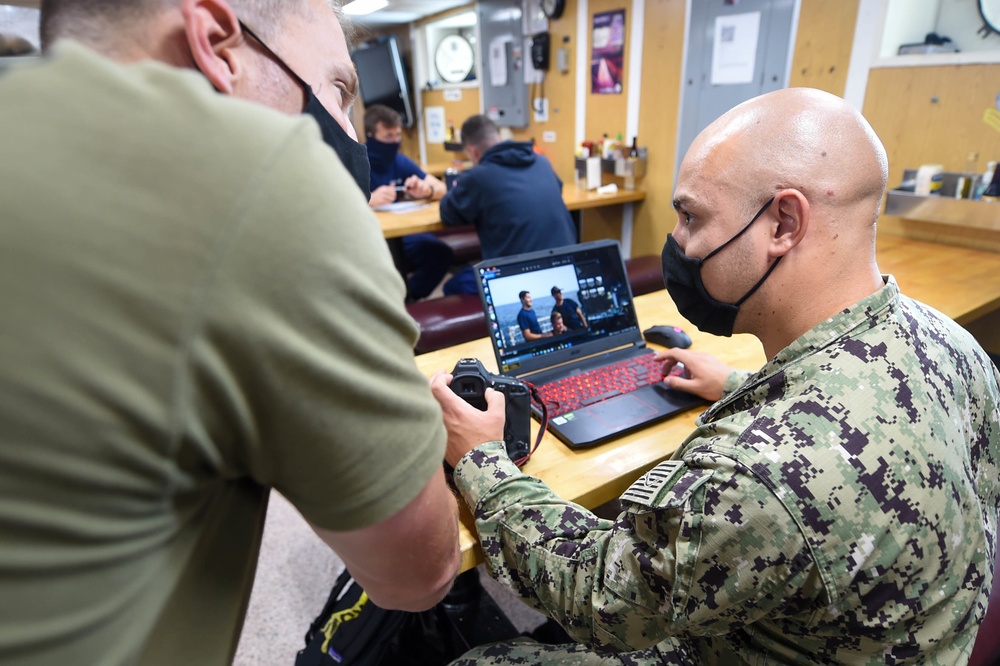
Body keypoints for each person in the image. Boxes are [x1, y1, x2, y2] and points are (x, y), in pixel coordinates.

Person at [431, 87, 1000, 664]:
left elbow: (598, 596)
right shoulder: (951, 341)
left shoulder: (757, 474)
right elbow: (852, 427)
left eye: (690, 216)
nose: (676, 241)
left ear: (784, 222)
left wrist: (483, 461)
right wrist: (736, 386)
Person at [0, 2, 460, 664]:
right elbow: (418, 574)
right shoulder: (268, 174)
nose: (342, 129)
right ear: (217, 42)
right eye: (337, 89)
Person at [439, 114, 577, 295]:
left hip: (518, 277)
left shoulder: (478, 177)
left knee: (452, 287)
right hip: (567, 269)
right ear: (498, 137)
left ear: (472, 151)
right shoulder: (542, 162)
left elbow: (448, 214)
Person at [364, 104, 452, 301]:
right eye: (388, 137)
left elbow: (441, 189)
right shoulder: (357, 162)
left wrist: (426, 190)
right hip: (369, 236)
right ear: (370, 135)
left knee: (440, 253)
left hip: (402, 233)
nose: (395, 141)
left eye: (398, 136)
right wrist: (368, 199)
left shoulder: (399, 160)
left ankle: (408, 300)